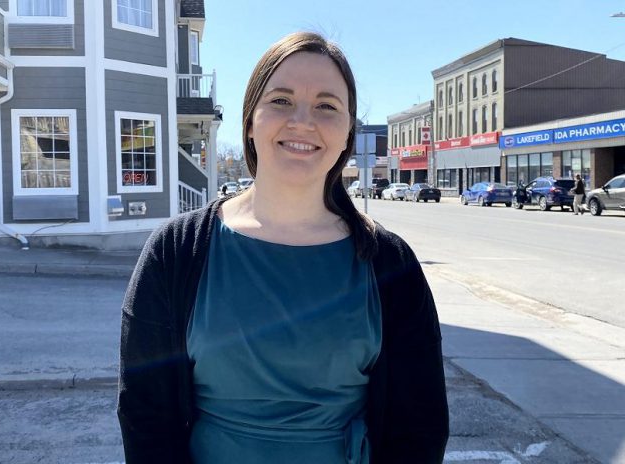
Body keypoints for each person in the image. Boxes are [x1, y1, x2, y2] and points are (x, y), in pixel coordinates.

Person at [117, 31, 449, 464]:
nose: (302, 121)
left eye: (327, 106)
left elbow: (419, 428)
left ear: (348, 132)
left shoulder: (391, 265)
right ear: (251, 120)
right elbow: (145, 416)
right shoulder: (176, 252)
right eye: (281, 100)